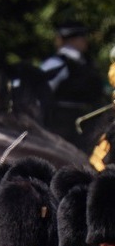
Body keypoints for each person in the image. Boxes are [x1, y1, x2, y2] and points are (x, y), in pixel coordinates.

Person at [40, 18, 106, 152]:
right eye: (81, 37)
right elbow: (42, 93)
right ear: (71, 40)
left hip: (89, 124)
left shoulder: (87, 64)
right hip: (62, 126)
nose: (85, 41)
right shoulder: (57, 63)